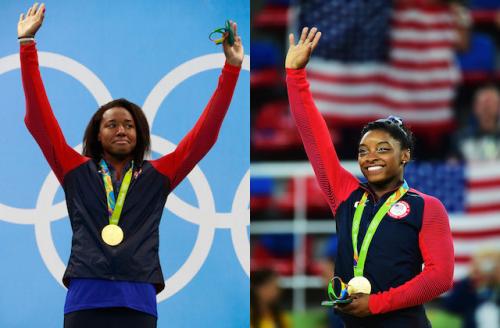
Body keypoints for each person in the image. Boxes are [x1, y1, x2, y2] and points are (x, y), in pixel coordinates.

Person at [18, 3, 243, 328]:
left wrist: (231, 69)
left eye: (128, 124)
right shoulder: (75, 170)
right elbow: (38, 120)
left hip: (138, 300)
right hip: (85, 297)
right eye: (111, 124)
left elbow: (204, 137)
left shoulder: (159, 175)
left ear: (139, 135)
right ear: (97, 134)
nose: (121, 129)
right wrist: (27, 46)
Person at [285, 26, 454, 327]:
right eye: (363, 151)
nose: (370, 157)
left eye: (383, 148)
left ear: (405, 155)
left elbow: (440, 277)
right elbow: (314, 138)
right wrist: (296, 76)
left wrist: (375, 304)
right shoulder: (346, 196)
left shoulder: (426, 207)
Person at [449, 84, 500, 162]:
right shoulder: (460, 138)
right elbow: (452, 166)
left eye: (491, 103)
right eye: (483, 104)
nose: (487, 108)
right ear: (475, 108)